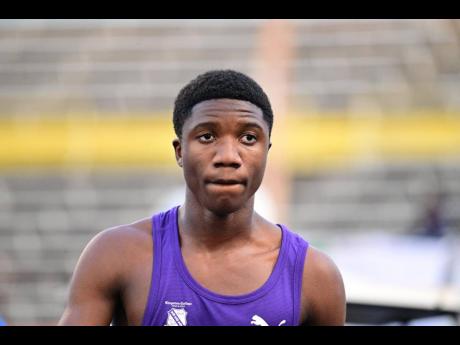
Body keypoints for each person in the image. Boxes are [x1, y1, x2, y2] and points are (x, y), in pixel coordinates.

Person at [58, 70, 346, 326]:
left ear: (266, 151)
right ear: (180, 151)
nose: (228, 157)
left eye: (248, 138)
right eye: (207, 137)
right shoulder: (118, 253)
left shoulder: (314, 275)